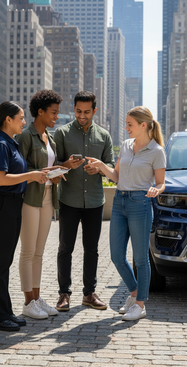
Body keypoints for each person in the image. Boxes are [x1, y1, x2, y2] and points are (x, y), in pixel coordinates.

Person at [86, 106, 166, 321]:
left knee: (141, 259)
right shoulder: (125, 145)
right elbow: (116, 176)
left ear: (143, 125)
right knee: (116, 256)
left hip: (140, 203)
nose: (126, 127)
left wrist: (155, 190)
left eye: (129, 124)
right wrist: (102, 165)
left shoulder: (157, 151)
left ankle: (140, 305)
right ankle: (134, 294)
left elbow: (161, 183)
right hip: (120, 201)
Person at [0, 101, 54, 332]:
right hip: (1, 204)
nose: (24, 121)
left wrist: (35, 174)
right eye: (21, 118)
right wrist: (30, 176)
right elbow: (0, 178)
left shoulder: (10, 143)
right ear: (8, 120)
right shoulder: (0, 144)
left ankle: (3, 312)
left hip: (11, 205)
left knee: (4, 262)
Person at [53, 91, 114, 312]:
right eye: (78, 111)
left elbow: (111, 168)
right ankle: (64, 294)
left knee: (92, 249)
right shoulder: (62, 133)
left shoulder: (104, 136)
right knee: (65, 248)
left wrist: (99, 168)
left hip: (95, 201)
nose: (82, 115)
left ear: (94, 111)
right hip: (68, 200)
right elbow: (54, 167)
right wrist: (68, 165)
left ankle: (89, 294)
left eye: (87, 112)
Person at [16, 90, 67, 319]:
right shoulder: (26, 136)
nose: (56, 116)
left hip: (48, 197)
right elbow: (17, 170)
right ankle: (28, 302)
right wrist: (41, 173)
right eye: (53, 112)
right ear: (41, 111)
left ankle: (36, 298)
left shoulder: (50, 137)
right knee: (28, 251)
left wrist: (56, 174)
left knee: (39, 252)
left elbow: (47, 169)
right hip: (30, 198)